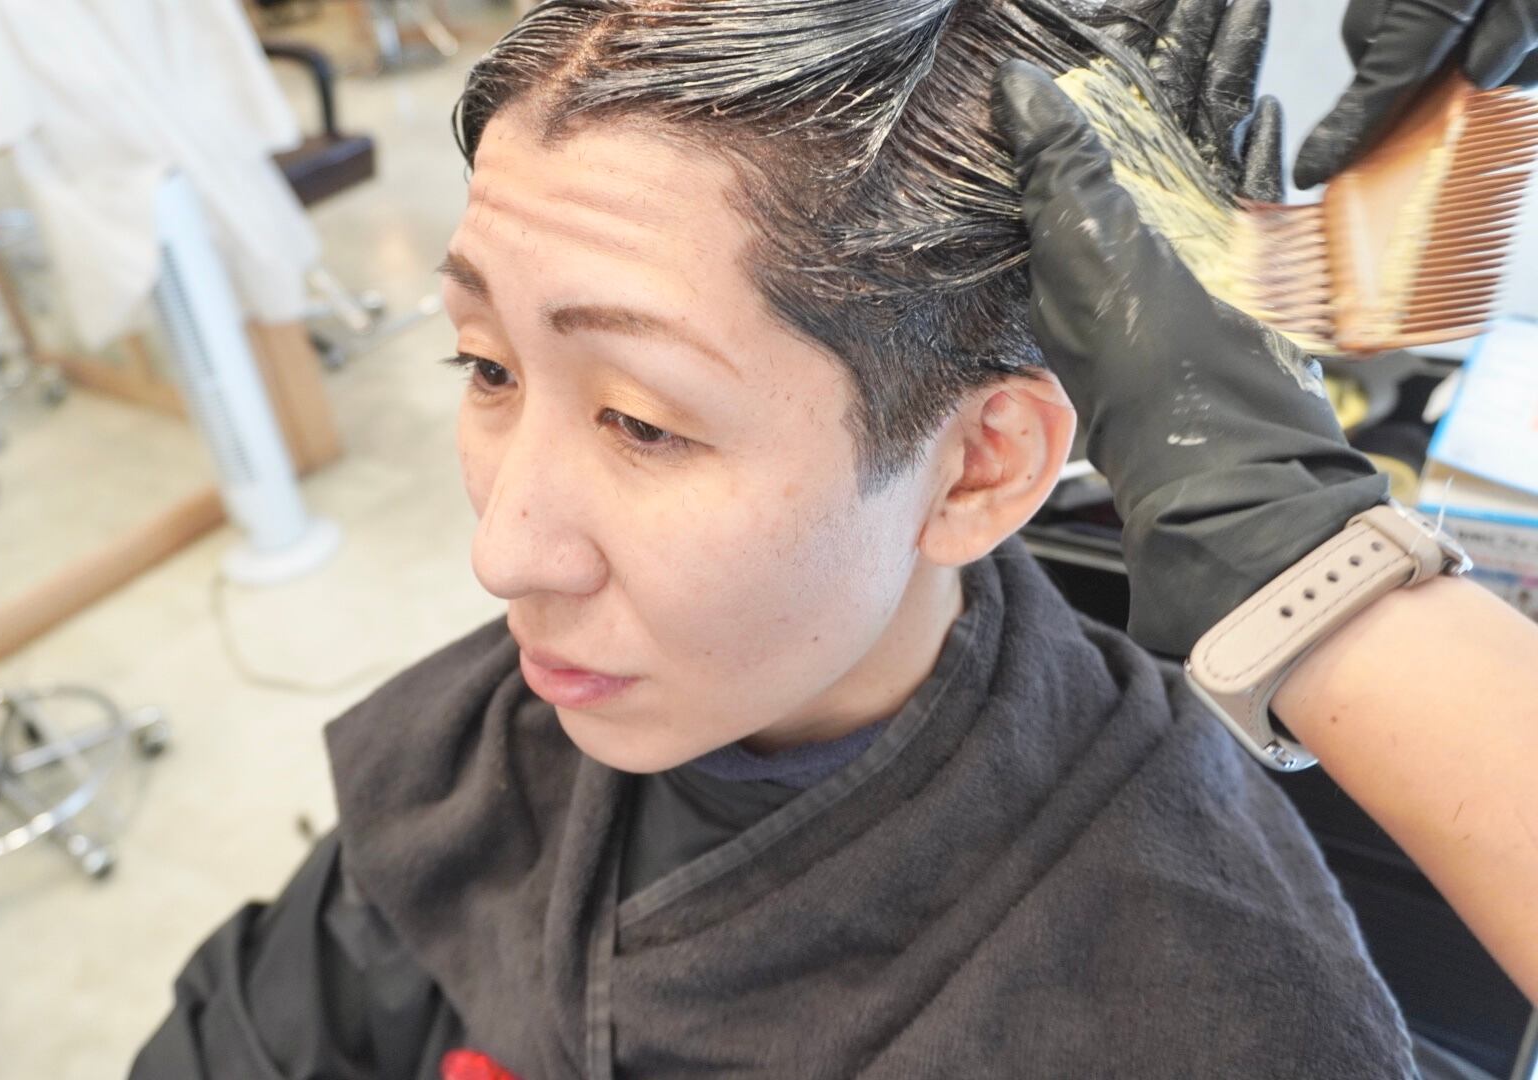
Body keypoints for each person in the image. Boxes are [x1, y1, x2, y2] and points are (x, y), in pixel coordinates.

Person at [130, 1, 1535, 1077]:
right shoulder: (523, 738)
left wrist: (1317, 574)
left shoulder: (1196, 988)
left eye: (640, 422)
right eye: (486, 366)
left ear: (982, 466)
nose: (506, 551)